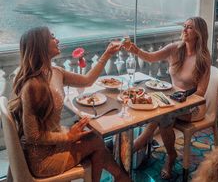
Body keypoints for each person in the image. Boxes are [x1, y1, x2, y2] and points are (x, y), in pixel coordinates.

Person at [8, 27, 130, 182]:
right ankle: (121, 177)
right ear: (40, 45)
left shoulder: (55, 72)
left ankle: (120, 177)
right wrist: (68, 136)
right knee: (96, 142)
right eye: (52, 37)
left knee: (94, 138)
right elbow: (33, 137)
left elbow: (87, 80)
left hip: (52, 143)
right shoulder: (33, 86)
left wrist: (106, 55)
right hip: (42, 159)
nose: (57, 40)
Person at [121, 16, 211, 179]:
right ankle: (140, 146)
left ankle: (161, 154)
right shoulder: (175, 48)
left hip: (193, 104)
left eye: (189, 27)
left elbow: (201, 92)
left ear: (199, 33)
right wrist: (135, 50)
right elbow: (151, 57)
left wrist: (180, 100)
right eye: (184, 26)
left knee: (163, 115)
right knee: (157, 110)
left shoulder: (203, 58)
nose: (184, 30)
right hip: (170, 100)